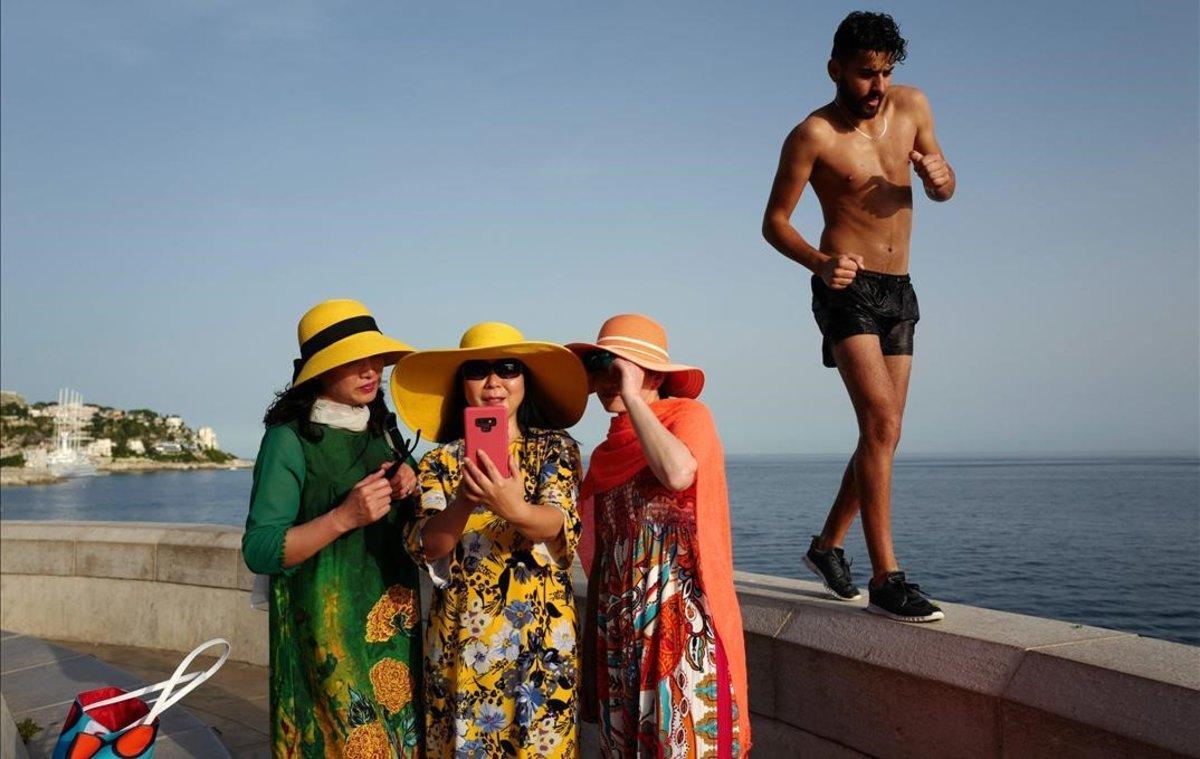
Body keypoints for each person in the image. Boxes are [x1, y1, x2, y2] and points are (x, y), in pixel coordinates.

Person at [761, 11, 955, 622]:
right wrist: (820, 263)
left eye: (886, 73)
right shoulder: (812, 135)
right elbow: (774, 222)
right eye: (865, 73)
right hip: (846, 288)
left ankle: (825, 547)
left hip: (901, 288)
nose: (877, 86)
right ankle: (887, 578)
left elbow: (943, 186)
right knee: (879, 424)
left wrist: (941, 179)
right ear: (835, 69)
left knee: (886, 432)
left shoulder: (914, 106)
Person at [390, 322, 587, 759]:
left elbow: (555, 523)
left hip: (541, 644)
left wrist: (511, 506)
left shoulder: (554, 450)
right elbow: (428, 546)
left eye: (509, 368)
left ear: (525, 381)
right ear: (462, 384)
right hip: (462, 644)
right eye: (478, 370)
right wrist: (464, 501)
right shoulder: (439, 461)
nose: (494, 382)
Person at [242, 299, 424, 757]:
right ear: (320, 371)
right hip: (324, 635)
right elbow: (261, 549)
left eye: (375, 358)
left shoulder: (383, 428)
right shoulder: (288, 439)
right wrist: (345, 517)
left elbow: (409, 501)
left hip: (394, 627)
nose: (370, 371)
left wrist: (410, 478)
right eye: (352, 361)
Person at [570, 314, 751, 758]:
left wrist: (632, 395)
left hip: (680, 619)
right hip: (619, 623)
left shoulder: (689, 415)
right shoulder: (607, 451)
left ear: (651, 372)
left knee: (685, 741)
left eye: (620, 365)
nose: (609, 380)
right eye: (601, 367)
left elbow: (676, 471)